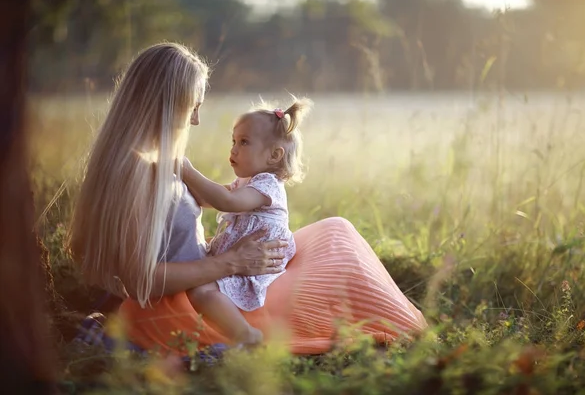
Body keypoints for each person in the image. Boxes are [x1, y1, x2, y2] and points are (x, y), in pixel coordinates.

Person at [69, 42, 428, 357]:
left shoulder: (151, 162)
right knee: (341, 256)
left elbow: (210, 210)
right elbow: (139, 279)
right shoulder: (137, 172)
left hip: (217, 282)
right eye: (193, 106)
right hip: (202, 301)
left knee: (336, 233)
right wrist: (231, 262)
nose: (195, 120)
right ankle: (404, 329)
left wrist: (229, 252)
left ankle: (403, 324)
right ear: (167, 103)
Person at [182, 97, 311, 346]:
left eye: (244, 142)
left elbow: (226, 202)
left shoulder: (267, 185)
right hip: (241, 259)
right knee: (198, 284)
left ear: (274, 155)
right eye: (233, 141)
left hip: (256, 266)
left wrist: (188, 171)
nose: (233, 149)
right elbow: (211, 198)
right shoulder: (247, 183)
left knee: (201, 291)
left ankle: (245, 335)